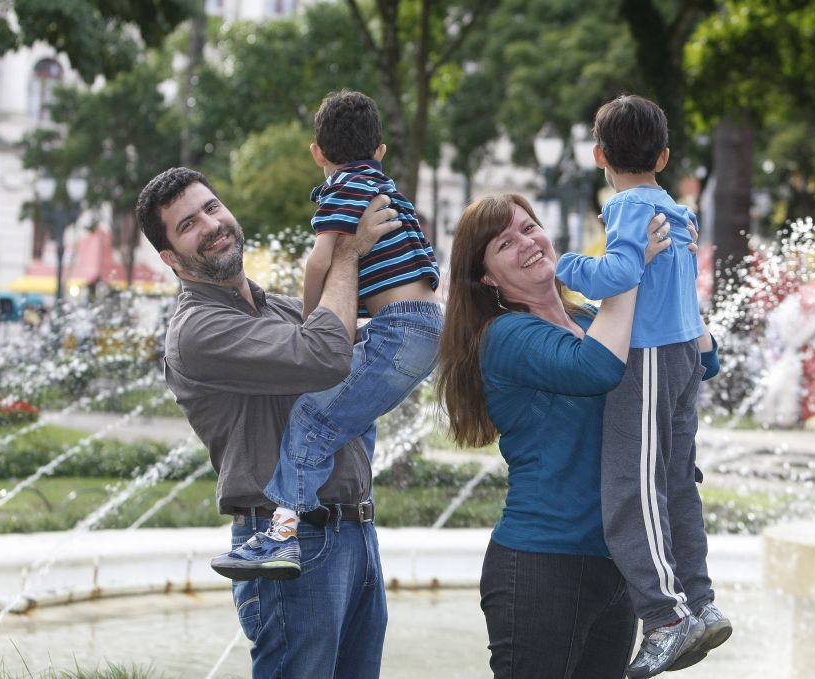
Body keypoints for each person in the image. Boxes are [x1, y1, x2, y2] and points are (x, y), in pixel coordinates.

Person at [135, 166, 399, 678]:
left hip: (354, 532)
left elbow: (369, 349)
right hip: (286, 547)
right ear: (170, 258)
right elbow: (327, 354)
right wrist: (346, 252)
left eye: (212, 208)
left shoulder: (277, 307)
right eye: (188, 224)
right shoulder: (197, 330)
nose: (210, 225)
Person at [437, 193, 681, 679]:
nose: (527, 242)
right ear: (487, 277)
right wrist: (629, 265)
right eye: (505, 243)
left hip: (615, 562)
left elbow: (691, 366)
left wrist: (675, 271)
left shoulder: (593, 320)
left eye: (529, 228)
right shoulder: (505, 334)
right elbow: (595, 370)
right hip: (542, 563)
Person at [211, 89, 442, 580]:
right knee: (349, 415)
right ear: (380, 151)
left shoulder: (344, 189)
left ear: (318, 153)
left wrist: (313, 320)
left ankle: (282, 533)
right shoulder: (385, 188)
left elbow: (321, 260)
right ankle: (327, 496)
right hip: (421, 327)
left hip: (397, 327)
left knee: (312, 417)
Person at [555, 94, 731, 677]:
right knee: (677, 481)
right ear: (663, 155)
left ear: (599, 154)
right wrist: (706, 349)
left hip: (648, 355)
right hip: (682, 352)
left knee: (633, 489)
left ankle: (665, 617)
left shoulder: (628, 206)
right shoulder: (680, 210)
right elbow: (682, 288)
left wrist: (563, 265)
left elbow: (620, 275)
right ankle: (698, 603)